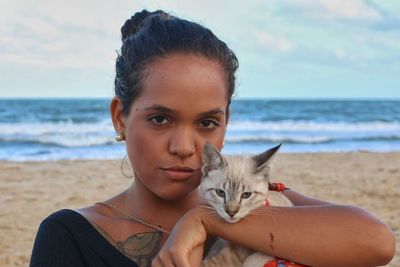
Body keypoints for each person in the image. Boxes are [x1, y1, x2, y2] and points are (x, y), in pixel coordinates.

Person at [30, 9, 395, 267]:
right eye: (160, 118)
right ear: (120, 117)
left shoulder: (261, 203)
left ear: (226, 123)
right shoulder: (70, 235)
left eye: (207, 123)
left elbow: (376, 242)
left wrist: (204, 221)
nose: (185, 148)